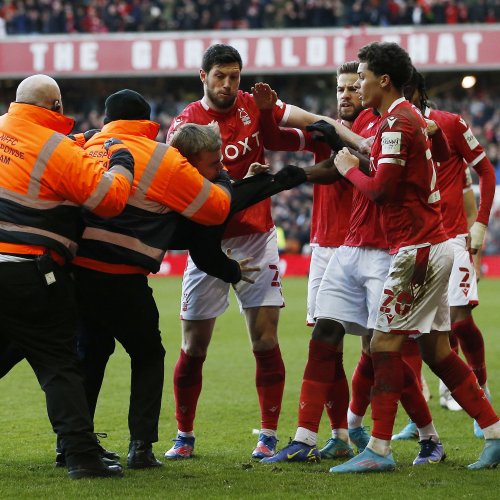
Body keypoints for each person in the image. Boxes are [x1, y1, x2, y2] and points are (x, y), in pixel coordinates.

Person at [259, 61, 448, 466]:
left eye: (355, 84)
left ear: (373, 87)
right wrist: (268, 114)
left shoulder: (380, 123)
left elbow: (354, 168)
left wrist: (302, 172)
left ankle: (426, 437)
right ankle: (311, 436)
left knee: (382, 350)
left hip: (385, 250)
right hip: (342, 246)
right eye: (342, 87)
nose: (348, 92)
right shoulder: (353, 126)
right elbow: (283, 136)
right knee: (325, 333)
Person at [329, 41, 500, 472]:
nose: (359, 83)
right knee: (438, 351)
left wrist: (348, 167)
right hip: (436, 244)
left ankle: (379, 451)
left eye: (363, 76)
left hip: (418, 250)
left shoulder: (395, 124)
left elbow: (382, 192)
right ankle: (495, 433)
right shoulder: (413, 119)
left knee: (384, 343)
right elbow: (441, 149)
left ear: (383, 80)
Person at [165, 43, 341, 460]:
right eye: (220, 77)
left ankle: (267, 435)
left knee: (264, 340)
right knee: (193, 346)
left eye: (234, 76)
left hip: (257, 236)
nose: (228, 85)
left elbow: (291, 127)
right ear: (202, 77)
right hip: (207, 241)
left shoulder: (252, 105)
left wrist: (336, 131)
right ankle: (184, 436)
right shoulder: (185, 125)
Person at [71, 90, 233, 470]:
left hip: (76, 276)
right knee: (147, 355)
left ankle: (74, 444)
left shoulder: (86, 146)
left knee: (89, 355)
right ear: (148, 119)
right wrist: (223, 180)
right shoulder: (162, 157)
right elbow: (214, 209)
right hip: (124, 278)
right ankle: (140, 447)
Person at [0, 74, 134, 479]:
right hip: (30, 273)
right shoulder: (54, 148)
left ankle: (82, 449)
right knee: (59, 364)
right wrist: (121, 164)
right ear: (56, 107)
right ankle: (80, 456)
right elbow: (108, 199)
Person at [393, 68, 496, 440]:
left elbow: (485, 172)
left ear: (417, 92)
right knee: (409, 333)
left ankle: (481, 393)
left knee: (461, 322)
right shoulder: (388, 129)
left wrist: (480, 225)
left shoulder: (449, 124)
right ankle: (419, 417)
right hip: (411, 242)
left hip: (452, 239)